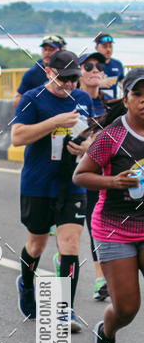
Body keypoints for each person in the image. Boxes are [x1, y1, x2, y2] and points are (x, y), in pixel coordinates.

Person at [12, 49, 94, 332]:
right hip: (38, 183)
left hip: (72, 183)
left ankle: (65, 309)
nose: (69, 85)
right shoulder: (33, 98)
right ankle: (25, 284)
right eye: (64, 79)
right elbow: (17, 136)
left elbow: (90, 136)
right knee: (36, 246)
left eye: (74, 79)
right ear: (49, 73)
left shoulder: (82, 99)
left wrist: (86, 147)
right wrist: (54, 123)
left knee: (70, 244)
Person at [73, 68, 144, 343]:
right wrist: (114, 182)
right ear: (126, 98)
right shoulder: (112, 135)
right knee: (127, 308)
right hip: (115, 228)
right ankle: (107, 332)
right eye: (137, 94)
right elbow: (80, 175)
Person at [75, 51, 108, 301]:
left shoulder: (113, 104)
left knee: (104, 227)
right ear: (78, 73)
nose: (95, 69)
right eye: (89, 66)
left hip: (106, 176)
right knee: (89, 229)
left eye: (99, 66)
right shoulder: (71, 102)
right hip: (77, 177)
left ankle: (102, 280)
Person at [13, 36, 64, 107]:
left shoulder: (68, 71)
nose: (47, 52)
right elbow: (16, 100)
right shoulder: (32, 73)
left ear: (61, 51)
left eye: (51, 49)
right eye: (45, 49)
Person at [95, 33, 124, 101]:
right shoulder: (90, 65)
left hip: (112, 103)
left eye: (110, 46)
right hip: (95, 103)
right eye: (104, 47)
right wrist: (98, 84)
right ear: (96, 48)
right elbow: (80, 85)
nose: (108, 49)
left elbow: (122, 82)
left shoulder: (118, 64)